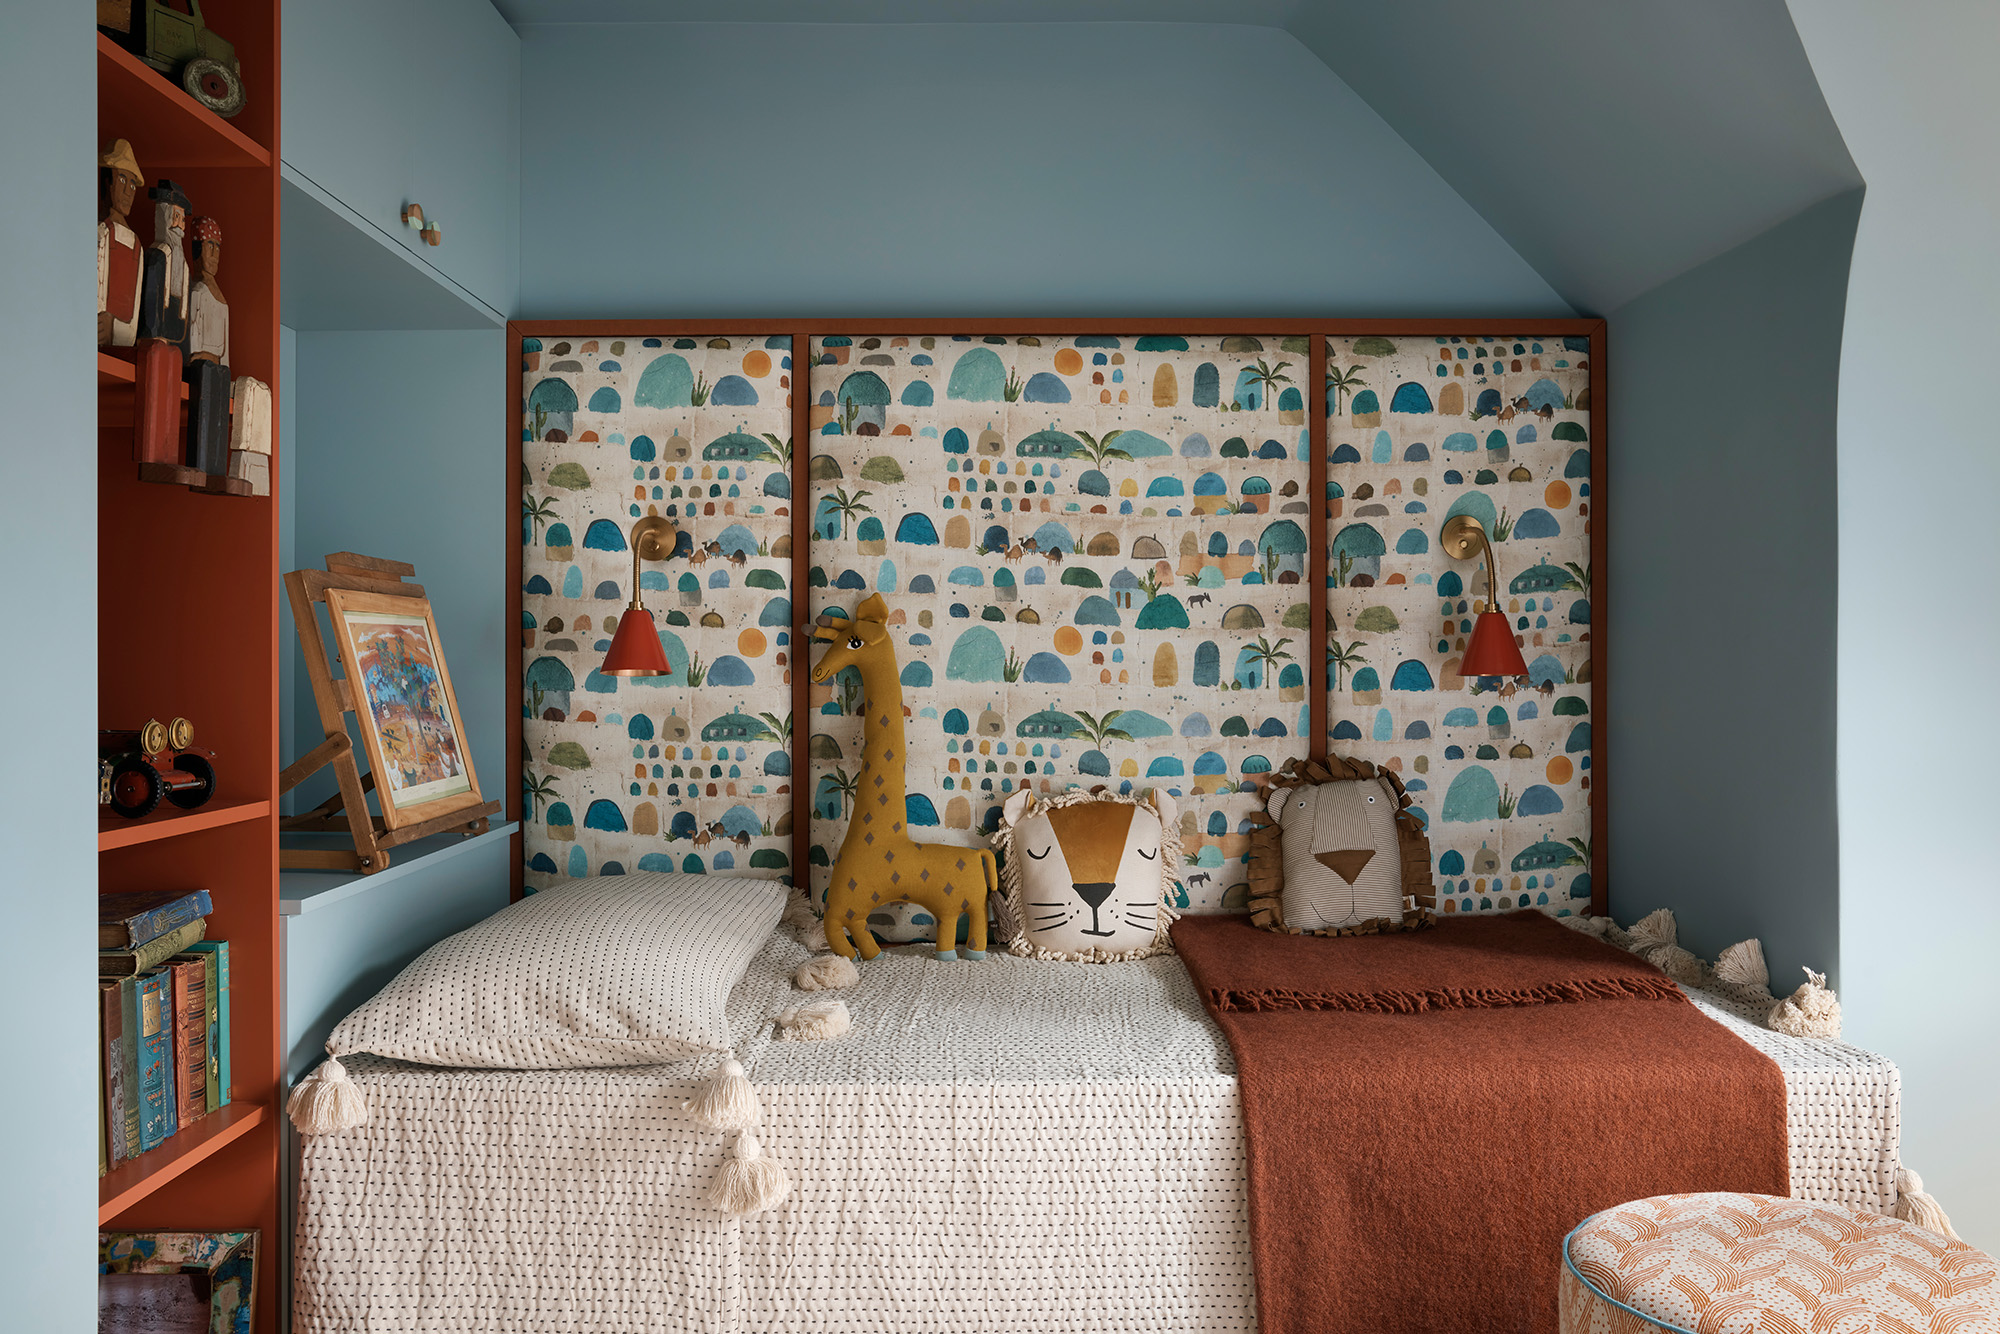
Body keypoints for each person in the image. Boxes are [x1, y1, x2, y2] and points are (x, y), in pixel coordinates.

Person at [96, 140, 144, 348]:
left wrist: (114, 327)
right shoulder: (100, 231)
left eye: (133, 185)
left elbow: (134, 310)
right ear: (107, 182)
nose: (128, 192)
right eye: (122, 180)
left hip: (118, 341)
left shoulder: (137, 246)